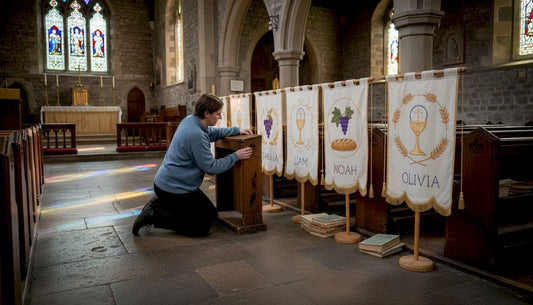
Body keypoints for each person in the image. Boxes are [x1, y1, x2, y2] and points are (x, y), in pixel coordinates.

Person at [132, 93, 253, 237]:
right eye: (218, 114)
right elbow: (211, 168)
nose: (220, 117)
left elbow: (210, 132)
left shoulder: (191, 120)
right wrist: (235, 156)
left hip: (175, 184)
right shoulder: (195, 134)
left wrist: (236, 130)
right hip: (172, 189)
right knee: (200, 227)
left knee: (212, 216)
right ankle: (154, 215)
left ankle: (162, 204)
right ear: (206, 113)